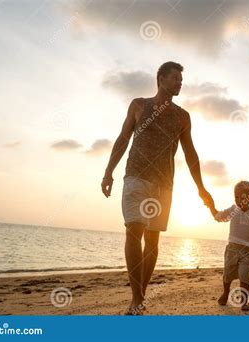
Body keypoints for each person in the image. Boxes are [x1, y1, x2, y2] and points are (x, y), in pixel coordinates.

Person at [101, 61, 214, 315]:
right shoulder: (139, 104)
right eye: (175, 78)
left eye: (181, 80)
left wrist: (201, 188)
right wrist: (109, 171)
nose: (179, 83)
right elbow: (122, 138)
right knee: (134, 230)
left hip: (164, 183)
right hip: (136, 176)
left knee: (152, 241)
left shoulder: (183, 116)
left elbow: (191, 153)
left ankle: (139, 296)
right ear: (160, 79)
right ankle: (136, 298)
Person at [209, 181, 249, 311]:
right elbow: (219, 216)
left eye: (242, 198)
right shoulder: (233, 210)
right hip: (232, 249)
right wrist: (210, 206)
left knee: (244, 276)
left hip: (247, 252)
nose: (238, 200)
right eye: (236, 197)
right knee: (227, 274)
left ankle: (244, 301)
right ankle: (225, 293)